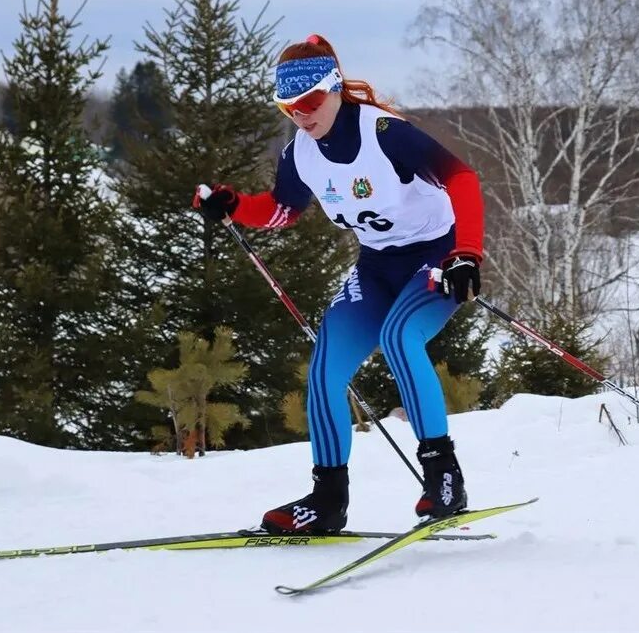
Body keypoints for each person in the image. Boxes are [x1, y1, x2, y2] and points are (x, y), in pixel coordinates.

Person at [194, 34, 483, 534]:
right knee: (326, 367)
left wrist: (467, 254)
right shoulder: (300, 154)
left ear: (333, 89)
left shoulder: (385, 133)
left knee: (400, 337)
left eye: (309, 102)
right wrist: (234, 204)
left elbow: (462, 179)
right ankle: (328, 498)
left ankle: (444, 477)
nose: (301, 115)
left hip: (435, 257)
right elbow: (283, 210)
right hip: (376, 268)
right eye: (288, 107)